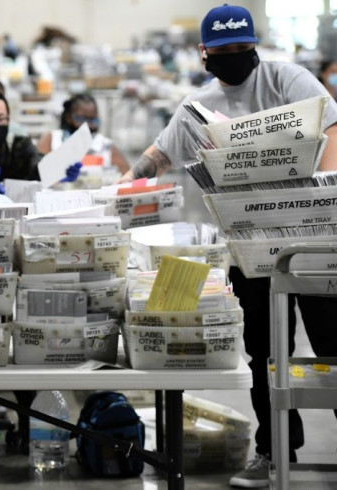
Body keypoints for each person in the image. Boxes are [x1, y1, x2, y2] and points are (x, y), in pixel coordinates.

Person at [119, 5, 337, 488]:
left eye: (243, 49)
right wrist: (115, 194)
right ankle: (277, 451)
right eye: (224, 52)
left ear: (254, 45)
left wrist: (325, 188)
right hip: (248, 246)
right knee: (264, 352)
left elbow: (333, 129)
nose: (235, 58)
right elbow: (156, 157)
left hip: (312, 240)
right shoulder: (196, 105)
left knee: (330, 346)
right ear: (205, 54)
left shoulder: (288, 80)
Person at [0, 88, 80, 186]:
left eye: (1, 119)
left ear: (9, 117)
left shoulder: (19, 145)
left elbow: (37, 166)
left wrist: (58, 171)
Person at [37, 93, 130, 174]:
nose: (87, 125)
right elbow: (37, 173)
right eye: (81, 119)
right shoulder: (52, 139)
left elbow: (126, 177)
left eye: (92, 120)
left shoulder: (105, 146)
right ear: (69, 118)